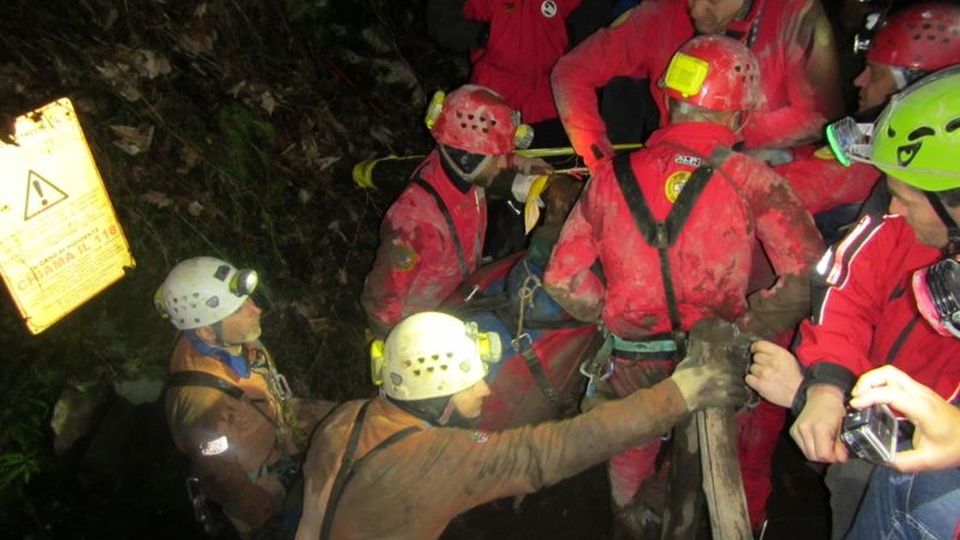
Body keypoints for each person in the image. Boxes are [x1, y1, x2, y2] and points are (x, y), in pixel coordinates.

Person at [542, 35, 825, 534]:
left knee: (630, 457)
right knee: (703, 475)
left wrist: (608, 310)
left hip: (631, 360)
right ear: (739, 114)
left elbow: (563, 278)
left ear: (669, 100)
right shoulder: (753, 180)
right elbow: (808, 278)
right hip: (714, 365)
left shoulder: (610, 176)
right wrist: (748, 325)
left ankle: (628, 519)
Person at [294, 311, 748, 539]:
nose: (487, 393)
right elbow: (551, 450)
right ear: (438, 398)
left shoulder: (347, 416)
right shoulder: (438, 459)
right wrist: (680, 393)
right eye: (473, 385)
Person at [746, 65, 960, 539]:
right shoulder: (899, 223)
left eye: (906, 196)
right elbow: (847, 288)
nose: (893, 209)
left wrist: (804, 393)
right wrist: (827, 383)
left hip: (924, 488)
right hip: (865, 438)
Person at [551, 0, 844, 174]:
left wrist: (726, 140)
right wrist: (601, 163)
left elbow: (821, 119)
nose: (697, 9)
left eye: (713, 1)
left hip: (769, 178)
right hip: (677, 179)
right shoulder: (662, 16)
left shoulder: (796, 17)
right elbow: (572, 72)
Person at [155, 256, 334, 538]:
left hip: (281, 446)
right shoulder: (204, 406)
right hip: (263, 492)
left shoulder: (232, 340)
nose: (257, 310)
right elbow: (219, 476)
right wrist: (264, 516)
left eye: (249, 300)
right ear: (205, 331)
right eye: (241, 309)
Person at [360, 84, 551, 339]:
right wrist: (397, 347)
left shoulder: (459, 171)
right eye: (498, 157)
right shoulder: (416, 226)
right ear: (466, 159)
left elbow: (497, 163)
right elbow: (382, 304)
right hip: (419, 328)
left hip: (455, 299)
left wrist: (528, 169)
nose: (505, 163)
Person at [773, 2, 960, 234]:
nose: (859, 81)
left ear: (917, 86)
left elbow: (795, 189)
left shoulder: (900, 154)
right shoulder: (876, 134)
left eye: (876, 74)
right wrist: (787, 155)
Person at [425, 0, 612, 148]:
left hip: (551, 99)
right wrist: (482, 35)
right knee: (490, 179)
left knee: (553, 179)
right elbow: (441, 17)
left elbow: (594, 12)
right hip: (490, 99)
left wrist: (572, 39)